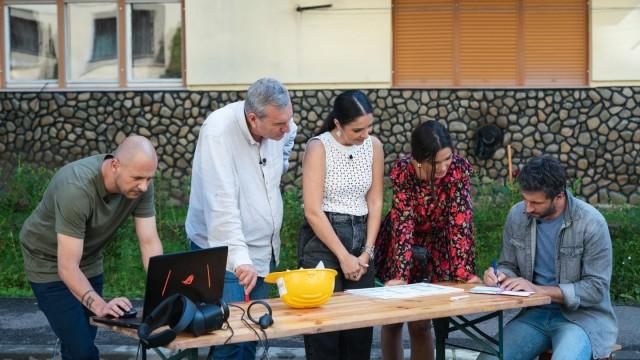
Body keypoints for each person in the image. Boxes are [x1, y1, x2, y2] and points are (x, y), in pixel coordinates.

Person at [19, 135, 163, 359]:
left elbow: (149, 241)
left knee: (82, 338)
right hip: (47, 261)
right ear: (115, 165)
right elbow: (66, 266)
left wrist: (163, 292)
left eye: (148, 178)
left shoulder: (142, 184)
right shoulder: (75, 187)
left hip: (89, 257)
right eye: (137, 178)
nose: (143, 186)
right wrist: (100, 305)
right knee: (82, 349)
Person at [185, 77, 297, 359]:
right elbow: (220, 205)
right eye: (279, 125)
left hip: (264, 249)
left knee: (253, 334)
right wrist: (240, 260)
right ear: (253, 118)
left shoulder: (278, 125)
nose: (288, 129)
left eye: (289, 120)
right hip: (225, 255)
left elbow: (284, 149)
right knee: (231, 337)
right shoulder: (218, 132)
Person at [478, 156, 618, 360]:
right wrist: (499, 275)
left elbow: (596, 288)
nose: (527, 208)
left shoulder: (592, 222)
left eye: (536, 202)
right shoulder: (517, 215)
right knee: (487, 359)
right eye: (525, 199)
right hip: (531, 315)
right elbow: (508, 265)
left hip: (581, 319)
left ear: (559, 196)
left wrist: (541, 290)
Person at [374, 120, 480, 360]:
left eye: (447, 159)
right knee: (392, 319)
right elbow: (403, 223)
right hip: (402, 243)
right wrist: (400, 274)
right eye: (435, 162)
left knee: (421, 322)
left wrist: (464, 271)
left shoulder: (458, 169)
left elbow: (460, 221)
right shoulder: (403, 171)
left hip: (439, 244)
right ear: (419, 160)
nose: (443, 167)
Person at [298, 90, 384, 360]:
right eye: (358, 129)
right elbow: (312, 211)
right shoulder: (318, 147)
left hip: (362, 238)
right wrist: (343, 256)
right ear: (337, 124)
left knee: (359, 334)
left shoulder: (375, 146)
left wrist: (367, 252)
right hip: (323, 241)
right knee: (324, 334)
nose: (365, 134)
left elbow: (376, 200)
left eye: (369, 126)